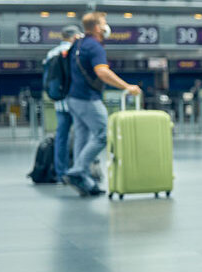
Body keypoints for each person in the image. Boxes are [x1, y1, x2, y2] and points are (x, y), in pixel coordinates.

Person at [63, 12, 141, 197]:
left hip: (72, 98)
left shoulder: (78, 43)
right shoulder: (94, 46)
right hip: (87, 99)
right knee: (103, 135)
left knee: (82, 138)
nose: (107, 27)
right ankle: (77, 171)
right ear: (98, 28)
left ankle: (85, 181)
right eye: (104, 23)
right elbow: (103, 73)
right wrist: (127, 87)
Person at [44, 25, 81, 183]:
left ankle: (61, 173)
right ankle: (79, 171)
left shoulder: (51, 53)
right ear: (74, 36)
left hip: (59, 102)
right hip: (77, 100)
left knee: (61, 136)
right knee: (81, 135)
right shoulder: (76, 51)